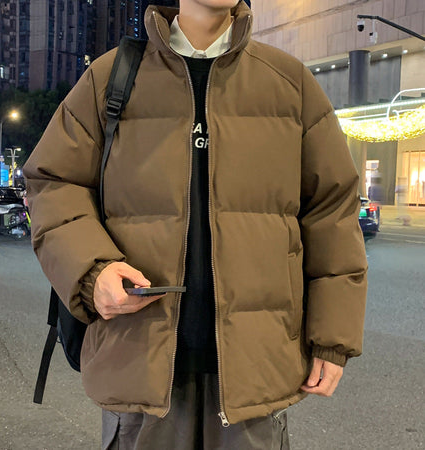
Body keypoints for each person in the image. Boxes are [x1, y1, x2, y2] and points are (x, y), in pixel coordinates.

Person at [23, 0, 368, 448]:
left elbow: (331, 210)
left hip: (258, 370)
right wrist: (93, 271)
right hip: (139, 365)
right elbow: (53, 181)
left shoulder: (289, 82)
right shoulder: (111, 77)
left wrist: (332, 339)